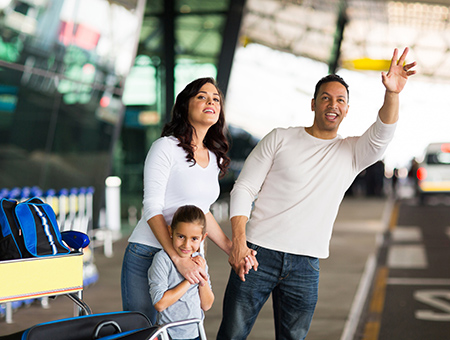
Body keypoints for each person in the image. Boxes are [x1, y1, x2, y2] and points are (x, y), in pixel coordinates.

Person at [217, 47, 417, 340]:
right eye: (326, 98)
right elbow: (244, 188)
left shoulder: (351, 152)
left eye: (340, 100)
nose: (332, 104)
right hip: (256, 252)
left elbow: (382, 134)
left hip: (305, 264)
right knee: (232, 335)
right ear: (313, 104)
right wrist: (238, 241)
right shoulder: (280, 138)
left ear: (347, 109)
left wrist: (393, 94)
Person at [121, 77, 232, 324]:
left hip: (189, 254)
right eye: (202, 96)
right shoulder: (165, 148)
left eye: (215, 99)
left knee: (183, 328)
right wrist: (178, 259)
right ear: (185, 106)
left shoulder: (214, 157)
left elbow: (202, 212)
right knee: (144, 331)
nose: (210, 102)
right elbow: (152, 207)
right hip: (149, 252)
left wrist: (230, 248)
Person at [149, 205, 213, 340]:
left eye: (194, 239)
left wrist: (202, 279)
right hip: (169, 335)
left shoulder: (199, 261)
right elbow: (160, 304)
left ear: (202, 238)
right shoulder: (162, 260)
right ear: (170, 231)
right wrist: (190, 280)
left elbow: (206, 305)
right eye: (181, 236)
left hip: (196, 333)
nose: (186, 245)